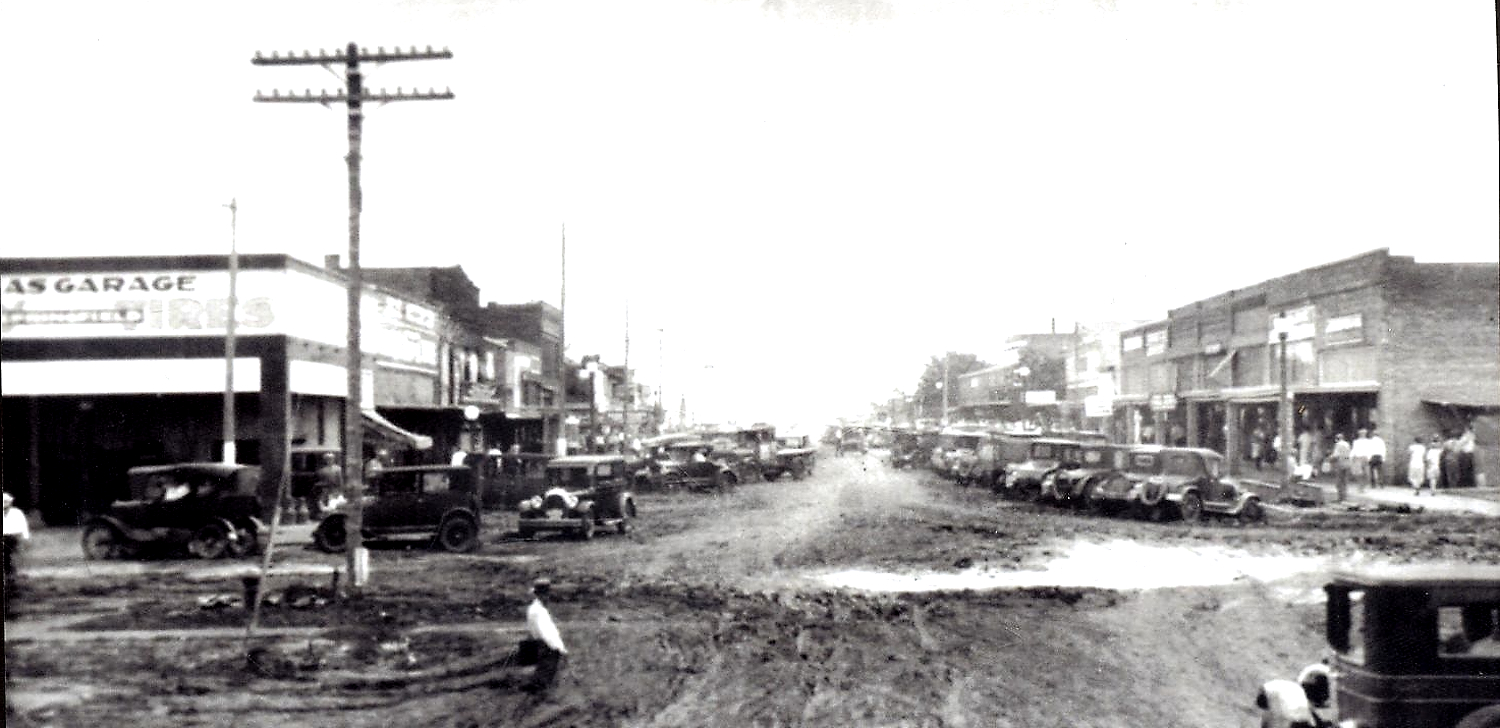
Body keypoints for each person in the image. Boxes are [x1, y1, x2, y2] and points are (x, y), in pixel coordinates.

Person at [523, 578, 567, 692]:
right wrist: (558, 647)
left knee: (543, 676)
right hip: (547, 647)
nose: (549, 597)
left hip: (540, 645)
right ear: (542, 595)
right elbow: (546, 632)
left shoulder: (535, 608)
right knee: (546, 679)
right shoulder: (539, 611)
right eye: (547, 594)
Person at [3, 492, 30, 618]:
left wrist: (25, 539)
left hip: (13, 538)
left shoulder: (16, 513)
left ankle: (11, 576)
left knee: (11, 560)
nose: (5, 506)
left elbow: (23, 527)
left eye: (6, 503)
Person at [312, 452, 342, 518]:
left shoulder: (338, 469)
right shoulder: (321, 470)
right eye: (327, 459)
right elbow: (318, 480)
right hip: (324, 489)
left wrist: (340, 490)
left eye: (331, 458)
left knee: (333, 504)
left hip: (335, 489)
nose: (329, 460)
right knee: (322, 504)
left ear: (333, 459)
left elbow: (340, 481)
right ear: (325, 460)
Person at [1329, 433, 1352, 502]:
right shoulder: (1347, 444)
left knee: (1339, 482)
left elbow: (1336, 455)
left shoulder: (1338, 444)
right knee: (1345, 481)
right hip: (1348, 463)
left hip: (1340, 464)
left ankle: (1340, 497)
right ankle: (1345, 497)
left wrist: (1330, 458)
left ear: (1337, 439)